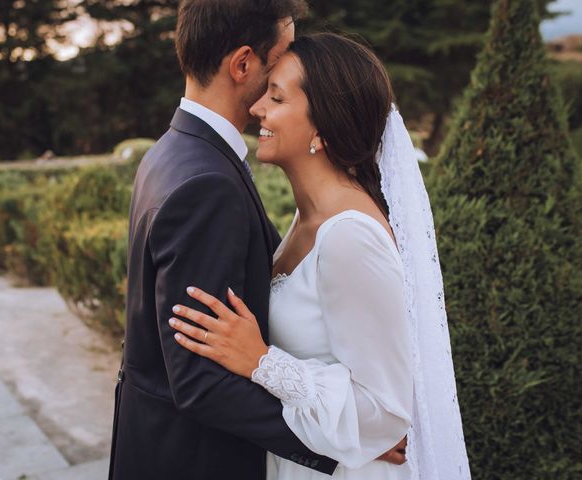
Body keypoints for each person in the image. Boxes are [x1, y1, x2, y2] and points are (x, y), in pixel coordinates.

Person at [108, 2, 405, 479]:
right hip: (195, 460)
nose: (265, 102)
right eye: (278, 61)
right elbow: (199, 379)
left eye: (280, 97)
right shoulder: (209, 181)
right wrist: (340, 446)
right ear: (243, 63)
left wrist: (359, 432)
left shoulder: (172, 152)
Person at [169, 33, 472, 479]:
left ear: (322, 128)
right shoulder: (307, 217)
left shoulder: (350, 237)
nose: (257, 109)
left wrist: (262, 361)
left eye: (276, 97)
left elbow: (385, 412)